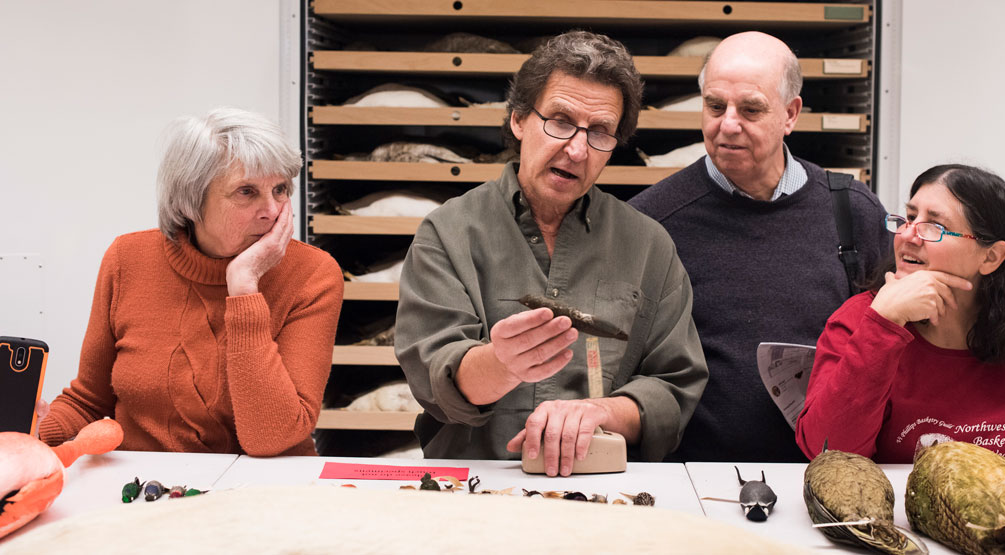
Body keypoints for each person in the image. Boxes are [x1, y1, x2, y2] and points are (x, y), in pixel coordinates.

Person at [395, 30, 708, 476]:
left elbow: (675, 388)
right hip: (475, 491)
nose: (577, 149)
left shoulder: (648, 245)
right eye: (560, 121)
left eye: (600, 132)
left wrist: (603, 411)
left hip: (602, 488)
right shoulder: (447, 233)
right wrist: (499, 364)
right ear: (519, 119)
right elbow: (434, 377)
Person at [629, 32, 892, 461]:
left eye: (750, 109)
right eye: (715, 106)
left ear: (790, 115)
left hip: (827, 473)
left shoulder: (853, 212)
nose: (727, 124)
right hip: (693, 481)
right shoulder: (653, 221)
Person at [37, 108, 344, 456]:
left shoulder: (313, 274)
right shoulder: (127, 259)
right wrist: (30, 434)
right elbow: (90, 402)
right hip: (147, 489)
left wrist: (244, 287)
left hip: (265, 491)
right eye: (246, 192)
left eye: (280, 189)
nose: (273, 211)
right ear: (191, 201)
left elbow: (272, 438)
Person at [796, 164, 1005, 464]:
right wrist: (883, 324)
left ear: (991, 257)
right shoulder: (859, 321)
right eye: (909, 218)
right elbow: (827, 454)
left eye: (934, 226)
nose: (908, 235)